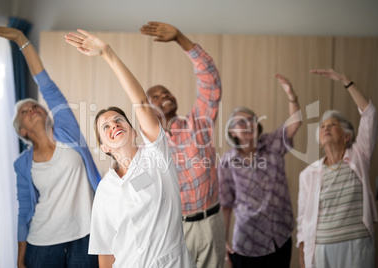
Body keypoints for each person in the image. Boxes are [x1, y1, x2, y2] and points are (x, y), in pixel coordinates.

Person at [65, 29, 195, 268]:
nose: (113, 125)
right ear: (104, 146)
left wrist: (107, 53)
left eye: (118, 120)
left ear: (135, 131)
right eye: (105, 126)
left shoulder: (157, 156)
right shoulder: (105, 190)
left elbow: (140, 102)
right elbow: (105, 252)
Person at [0, 27, 100, 268]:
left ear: (48, 112)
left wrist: (22, 40)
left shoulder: (67, 129)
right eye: (24, 112)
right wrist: (20, 254)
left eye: (34, 106)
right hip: (43, 241)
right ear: (22, 132)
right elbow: (25, 209)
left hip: (87, 237)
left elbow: (47, 86)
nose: (31, 109)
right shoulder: (22, 164)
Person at [140, 21, 226, 268]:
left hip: (212, 223)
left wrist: (180, 39)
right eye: (155, 96)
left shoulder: (198, 124)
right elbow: (139, 190)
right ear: (146, 109)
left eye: (166, 92)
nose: (164, 96)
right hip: (175, 229)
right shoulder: (146, 149)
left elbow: (210, 80)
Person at [218, 74, 302, 268]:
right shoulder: (227, 162)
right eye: (241, 122)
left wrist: (291, 95)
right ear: (232, 132)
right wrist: (223, 242)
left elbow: (295, 123)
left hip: (279, 236)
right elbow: (226, 204)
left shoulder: (272, 144)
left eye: (252, 120)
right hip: (247, 240)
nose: (248, 125)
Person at [297, 68, 378, 268]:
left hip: (356, 244)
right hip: (321, 246)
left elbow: (370, 114)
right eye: (323, 126)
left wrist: (346, 81)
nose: (325, 128)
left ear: (347, 136)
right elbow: (302, 219)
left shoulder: (359, 156)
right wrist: (302, 253)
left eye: (332, 125)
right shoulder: (308, 174)